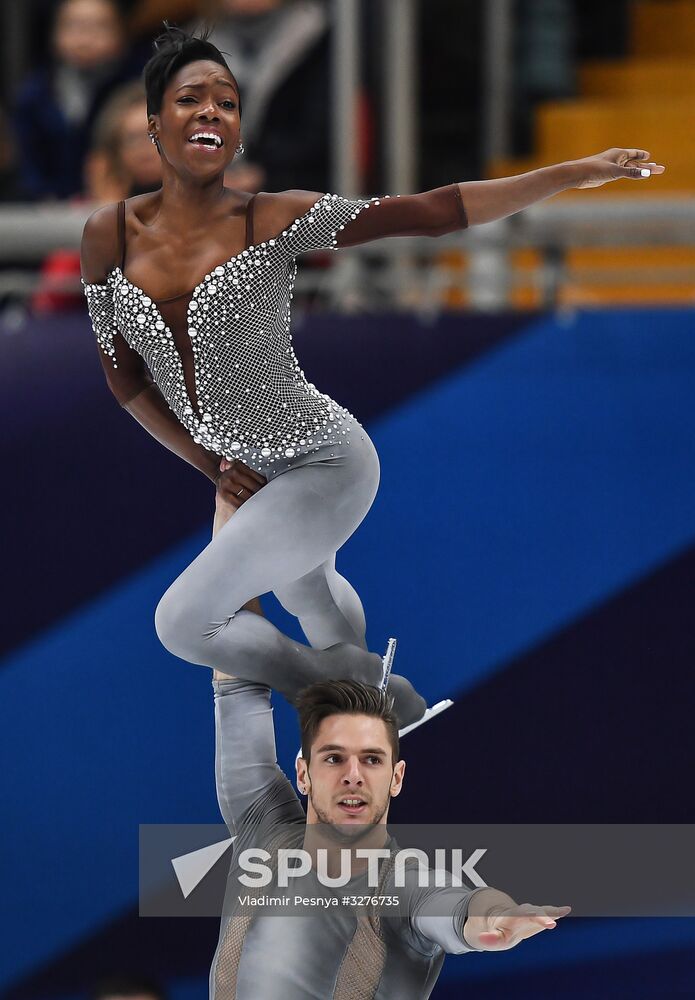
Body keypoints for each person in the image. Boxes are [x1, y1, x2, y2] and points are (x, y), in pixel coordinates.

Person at [80, 26, 664, 729]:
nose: (211, 111)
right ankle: (373, 710)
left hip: (326, 459)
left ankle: (359, 694)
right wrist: (212, 466)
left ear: (239, 129)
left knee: (183, 620)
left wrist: (567, 173)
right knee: (311, 596)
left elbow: (432, 212)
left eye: (226, 102)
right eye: (189, 99)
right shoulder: (107, 236)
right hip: (255, 468)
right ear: (153, 123)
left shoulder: (276, 217)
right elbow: (126, 381)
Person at [13, 0, 141, 201]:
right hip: (46, 207)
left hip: (123, 200)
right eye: (73, 26)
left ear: (121, 33)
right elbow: (26, 164)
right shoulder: (33, 94)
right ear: (54, 34)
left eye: (99, 26)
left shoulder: (138, 89)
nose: (85, 38)